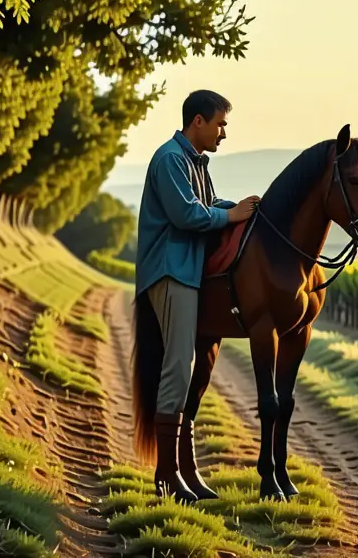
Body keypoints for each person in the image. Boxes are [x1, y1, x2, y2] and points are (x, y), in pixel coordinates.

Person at [134, 89, 259, 500]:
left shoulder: (192, 162)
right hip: (172, 270)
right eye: (220, 123)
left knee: (187, 371)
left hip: (187, 271)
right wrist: (229, 215)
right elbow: (187, 213)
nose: (224, 132)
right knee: (177, 369)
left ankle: (184, 474)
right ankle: (167, 478)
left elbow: (205, 202)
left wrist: (243, 206)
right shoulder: (171, 159)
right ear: (198, 122)